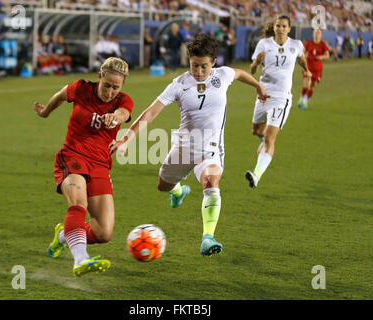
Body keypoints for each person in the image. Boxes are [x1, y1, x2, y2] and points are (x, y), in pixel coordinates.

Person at [109, 33, 269, 256]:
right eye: (194, 66)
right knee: (163, 185)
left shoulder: (222, 75)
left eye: (204, 66)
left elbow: (240, 73)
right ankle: (178, 192)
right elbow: (151, 113)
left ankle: (208, 237)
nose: (199, 71)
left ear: (213, 62)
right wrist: (126, 140)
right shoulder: (179, 84)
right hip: (184, 149)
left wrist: (258, 86)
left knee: (211, 182)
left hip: (211, 150)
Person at [34, 57, 134, 276]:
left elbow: (124, 113)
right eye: (106, 85)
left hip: (100, 166)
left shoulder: (123, 101)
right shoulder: (80, 89)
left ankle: (63, 235)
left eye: (115, 87)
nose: (110, 92)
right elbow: (60, 96)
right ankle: (81, 259)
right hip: (73, 156)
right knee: (78, 204)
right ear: (99, 77)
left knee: (104, 232)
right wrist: (46, 112)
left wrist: (115, 117)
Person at [245, 15, 311, 188]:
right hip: (263, 94)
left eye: (284, 26)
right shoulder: (264, 44)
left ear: (289, 29)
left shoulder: (296, 45)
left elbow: (301, 59)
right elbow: (252, 70)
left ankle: (256, 174)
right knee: (256, 131)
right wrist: (256, 63)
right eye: (278, 26)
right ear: (273, 28)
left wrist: (308, 71)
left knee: (269, 137)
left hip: (282, 98)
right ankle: (264, 146)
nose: (280, 29)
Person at [297, 28, 329, 110]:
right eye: (315, 32)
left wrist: (321, 57)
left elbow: (327, 56)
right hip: (308, 68)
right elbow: (303, 51)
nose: (317, 34)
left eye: (318, 33)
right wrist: (304, 55)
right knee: (307, 84)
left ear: (321, 35)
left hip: (318, 70)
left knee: (312, 86)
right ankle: (301, 99)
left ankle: (305, 101)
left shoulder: (323, 45)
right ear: (313, 34)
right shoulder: (309, 43)